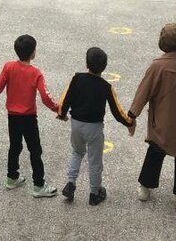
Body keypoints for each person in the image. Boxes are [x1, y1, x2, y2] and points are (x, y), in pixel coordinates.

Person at [129, 23, 176, 214]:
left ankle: (145, 188)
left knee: (155, 151)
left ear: (162, 43)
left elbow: (143, 92)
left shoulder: (158, 65)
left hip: (165, 118)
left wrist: (132, 115)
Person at [56, 47, 133, 205]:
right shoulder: (106, 87)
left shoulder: (76, 78)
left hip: (76, 124)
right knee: (95, 160)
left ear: (86, 63)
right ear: (104, 67)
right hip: (94, 128)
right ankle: (95, 192)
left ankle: (70, 183)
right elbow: (117, 110)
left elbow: (66, 98)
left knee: (77, 152)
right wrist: (129, 123)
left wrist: (62, 114)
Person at [0, 34, 59, 198]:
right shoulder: (35, 73)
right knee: (35, 150)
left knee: (15, 146)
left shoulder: (8, 67)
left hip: (13, 117)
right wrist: (57, 109)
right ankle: (39, 185)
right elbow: (45, 97)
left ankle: (12, 177)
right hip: (29, 118)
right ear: (33, 53)